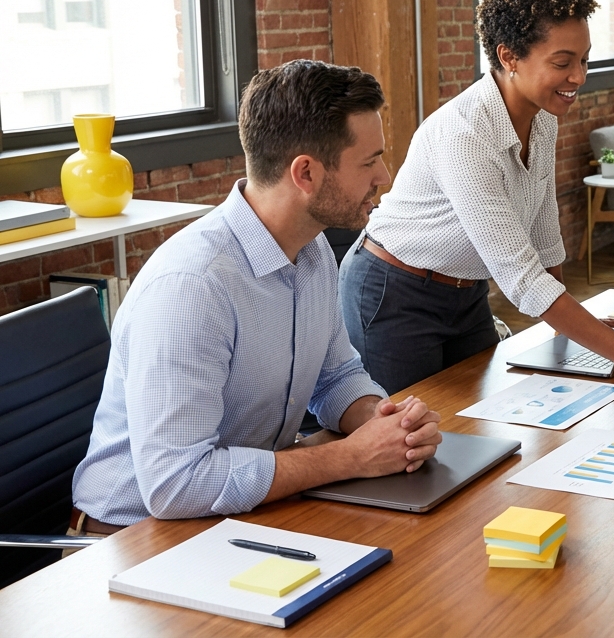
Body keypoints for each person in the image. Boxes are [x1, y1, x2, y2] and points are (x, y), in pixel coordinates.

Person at [70, 61, 443, 533]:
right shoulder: (193, 288)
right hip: (131, 539)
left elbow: (335, 376)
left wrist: (384, 422)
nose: (384, 176)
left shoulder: (312, 253)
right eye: (369, 162)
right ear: (305, 173)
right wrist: (348, 457)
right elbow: (174, 484)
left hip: (237, 513)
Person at [338, 0, 614, 396]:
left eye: (584, 60)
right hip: (393, 293)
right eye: (562, 62)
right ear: (509, 56)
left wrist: (570, 329)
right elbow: (522, 280)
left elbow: (545, 232)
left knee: (480, 421)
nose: (579, 78)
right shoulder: (466, 133)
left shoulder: (542, 118)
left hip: (465, 291)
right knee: (412, 441)